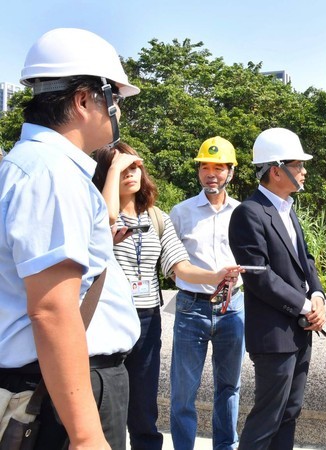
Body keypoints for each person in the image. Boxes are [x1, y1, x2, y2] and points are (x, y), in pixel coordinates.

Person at [0, 28, 142, 449]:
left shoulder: (37, 166)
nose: (117, 110)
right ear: (83, 100)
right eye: (113, 98)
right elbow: (52, 310)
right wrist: (85, 436)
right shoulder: (51, 174)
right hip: (63, 390)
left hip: (61, 381)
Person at [92, 141, 241, 450]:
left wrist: (214, 276)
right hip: (106, 319)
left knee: (145, 407)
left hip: (147, 318)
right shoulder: (96, 215)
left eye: (134, 166)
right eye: (119, 169)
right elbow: (96, 237)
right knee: (109, 405)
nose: (129, 173)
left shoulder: (157, 216)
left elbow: (179, 265)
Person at [228, 127, 326, 450]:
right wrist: (305, 306)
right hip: (273, 336)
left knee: (290, 411)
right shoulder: (249, 213)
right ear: (276, 170)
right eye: (298, 165)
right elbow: (260, 277)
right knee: (267, 416)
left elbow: (306, 261)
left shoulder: (287, 208)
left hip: (299, 330)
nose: (304, 171)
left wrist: (318, 296)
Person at [168, 136, 245, 450]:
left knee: (229, 387)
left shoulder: (244, 213)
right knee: (183, 391)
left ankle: (226, 446)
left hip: (233, 306)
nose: (211, 174)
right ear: (199, 172)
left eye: (218, 167)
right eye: (205, 167)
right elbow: (174, 266)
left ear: (230, 172)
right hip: (191, 308)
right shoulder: (181, 212)